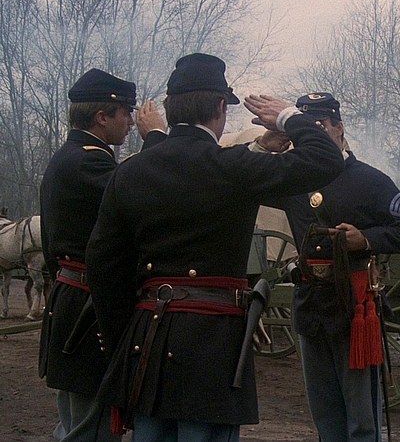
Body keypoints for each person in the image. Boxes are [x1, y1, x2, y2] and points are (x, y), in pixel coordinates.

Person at [85, 53, 345, 440]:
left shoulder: (130, 171)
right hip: (213, 342)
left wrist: (127, 337)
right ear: (221, 107)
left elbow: (102, 266)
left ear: (171, 109)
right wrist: (288, 116)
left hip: (146, 341)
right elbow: (326, 160)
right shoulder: (232, 167)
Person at [245, 92, 400, 441]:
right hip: (310, 304)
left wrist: (366, 239)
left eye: (319, 126)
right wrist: (264, 146)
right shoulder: (293, 178)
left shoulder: (370, 180)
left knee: (361, 419)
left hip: (353, 307)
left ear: (339, 128)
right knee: (324, 414)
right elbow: (242, 181)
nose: (311, 134)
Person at [38, 68, 164, 441]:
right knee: (91, 431)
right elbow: (141, 196)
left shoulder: (68, 157)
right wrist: (156, 139)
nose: (131, 123)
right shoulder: (89, 161)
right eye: (126, 113)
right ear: (102, 117)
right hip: (90, 309)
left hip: (73, 301)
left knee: (75, 425)